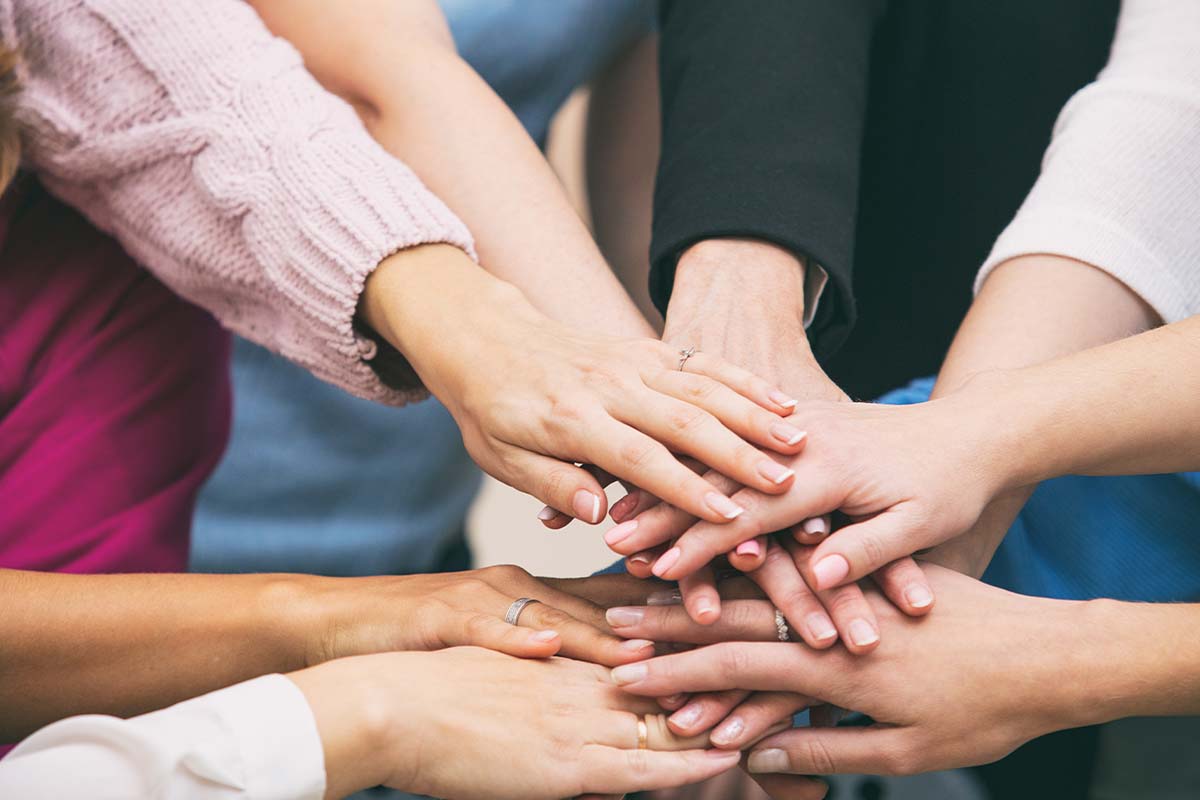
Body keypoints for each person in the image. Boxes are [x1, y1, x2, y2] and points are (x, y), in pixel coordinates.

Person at [193, 0, 659, 579]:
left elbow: (649, 196)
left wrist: (705, 414)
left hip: (416, 507)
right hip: (161, 492)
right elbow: (382, 88)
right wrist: (678, 435)